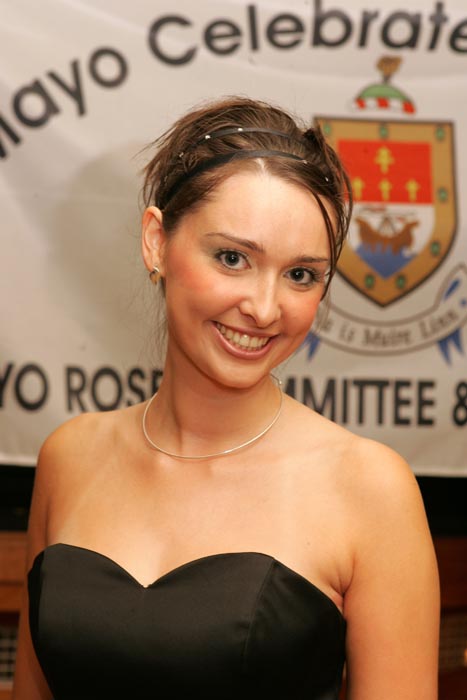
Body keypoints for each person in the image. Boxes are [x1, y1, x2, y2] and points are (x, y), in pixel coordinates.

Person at [13, 96, 439, 700]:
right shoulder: (70, 457)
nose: (265, 308)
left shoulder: (369, 488)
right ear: (157, 242)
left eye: (301, 275)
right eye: (233, 258)